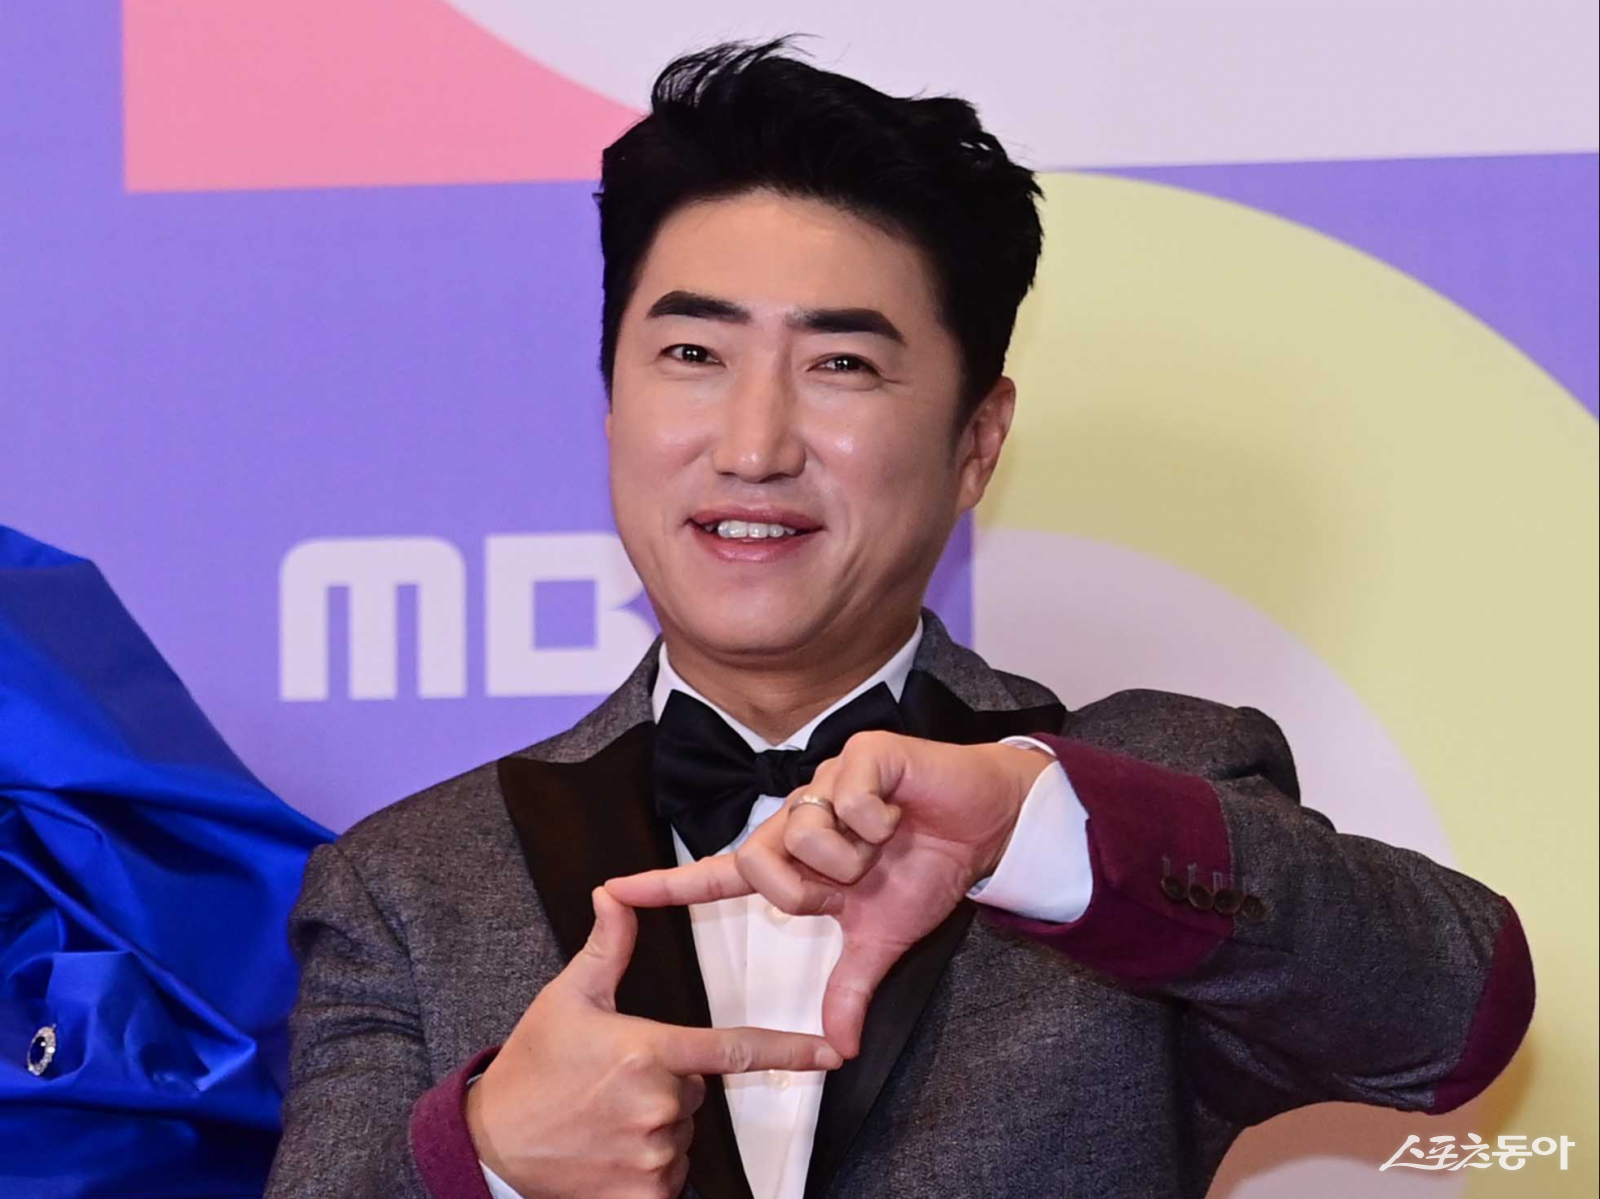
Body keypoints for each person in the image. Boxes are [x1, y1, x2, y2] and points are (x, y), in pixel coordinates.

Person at [263, 40, 1534, 1199]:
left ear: (977, 441)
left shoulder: (1134, 791)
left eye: (842, 364)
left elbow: (1448, 1011)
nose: (752, 444)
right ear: (611, 405)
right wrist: (484, 1154)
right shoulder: (412, 880)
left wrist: (1034, 831)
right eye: (693, 355)